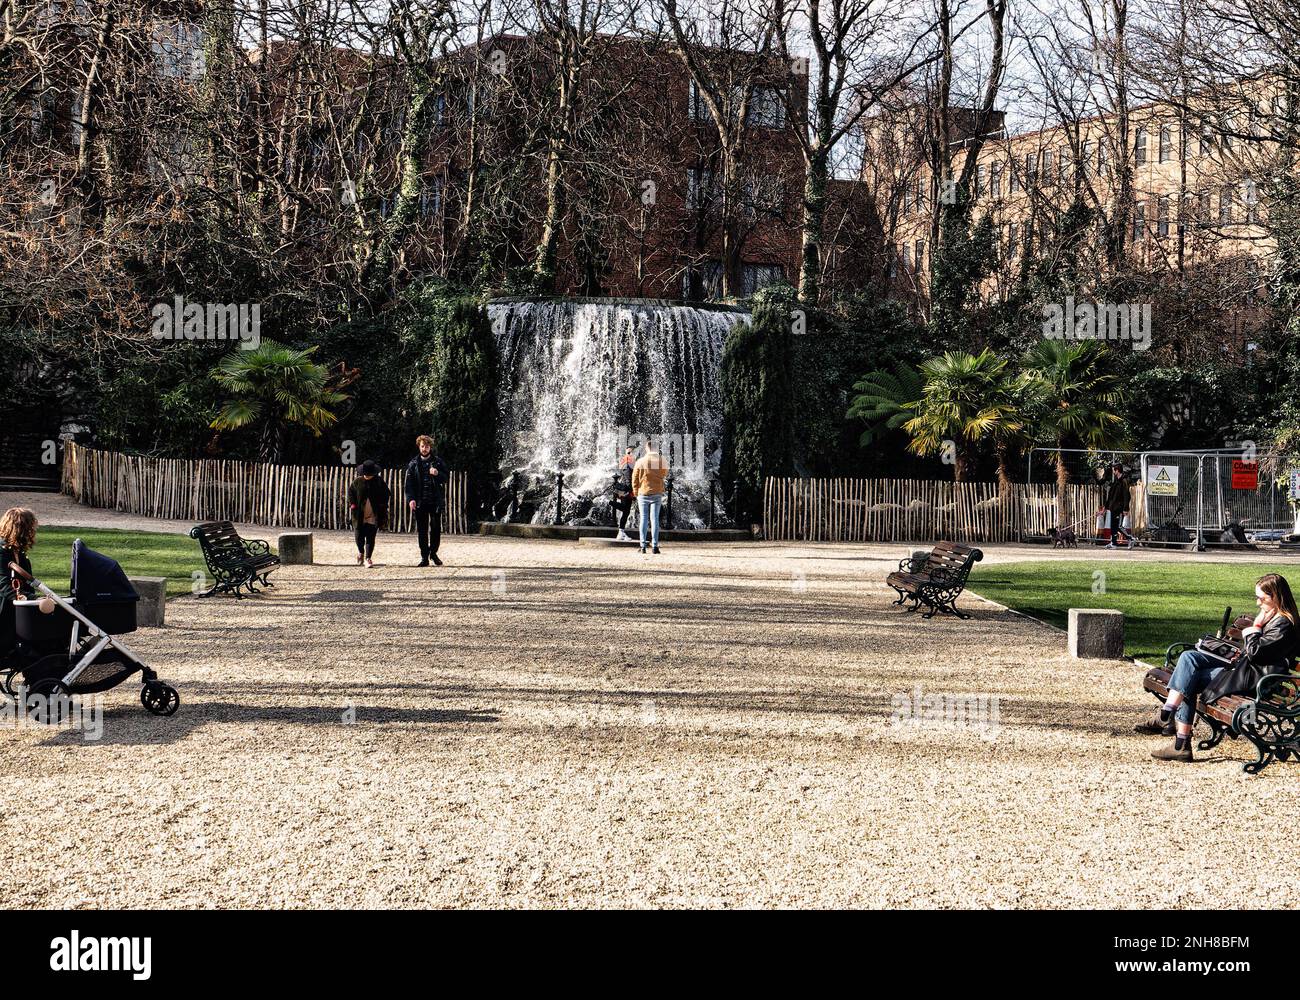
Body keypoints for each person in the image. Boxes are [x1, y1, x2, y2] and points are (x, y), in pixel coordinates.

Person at [1137, 573, 1299, 761]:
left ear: (1277, 597)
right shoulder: (1274, 617)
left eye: (1261, 598)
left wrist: (1255, 626)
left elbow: (1255, 653)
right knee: (1189, 657)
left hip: (1255, 679)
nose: (1258, 603)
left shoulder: (1283, 624)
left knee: (1191, 677)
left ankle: (1177, 737)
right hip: (1244, 669)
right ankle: (1168, 715)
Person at [403, 435, 449, 567]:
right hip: (420, 502)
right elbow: (409, 484)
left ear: (430, 447)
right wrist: (410, 499)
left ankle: (433, 553)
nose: (424, 449)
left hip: (435, 501)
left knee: (435, 529)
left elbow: (446, 478)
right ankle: (424, 557)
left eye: (427, 446)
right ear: (419, 446)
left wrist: (437, 474)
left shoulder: (438, 462)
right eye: (422, 446)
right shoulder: (413, 464)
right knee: (422, 531)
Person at [1, 507, 39, 658]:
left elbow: (28, 582)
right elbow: (3, 585)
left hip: (14, 608)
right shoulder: (2, 552)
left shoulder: (19, 552)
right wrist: (30, 599)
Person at [347, 460, 390, 569]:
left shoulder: (379, 482)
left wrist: (382, 505)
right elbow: (350, 492)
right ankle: (361, 552)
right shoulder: (357, 482)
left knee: (371, 537)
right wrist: (352, 504)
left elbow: (387, 494)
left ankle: (368, 558)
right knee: (359, 537)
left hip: (373, 514)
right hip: (359, 514)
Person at [632, 439, 670, 555]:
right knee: (655, 520)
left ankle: (642, 546)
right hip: (657, 492)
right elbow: (665, 473)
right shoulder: (661, 460)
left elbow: (635, 478)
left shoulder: (641, 461)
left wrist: (635, 491)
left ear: (647, 448)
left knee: (643, 519)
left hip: (643, 492)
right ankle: (654, 546)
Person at [1104, 462, 1133, 549]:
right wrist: (1106, 507)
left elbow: (1126, 495)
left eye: (1113, 470)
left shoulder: (1124, 481)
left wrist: (1125, 509)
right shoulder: (1116, 480)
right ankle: (1113, 543)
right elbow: (1111, 495)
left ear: (1117, 470)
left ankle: (1130, 538)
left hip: (1119, 507)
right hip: (1113, 507)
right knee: (1113, 525)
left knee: (1117, 526)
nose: (1113, 472)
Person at [612, 446, 636, 542]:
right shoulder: (628, 461)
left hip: (623, 489)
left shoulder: (624, 460)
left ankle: (621, 532)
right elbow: (628, 479)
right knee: (625, 510)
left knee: (625, 511)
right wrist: (631, 491)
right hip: (626, 490)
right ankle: (621, 532)